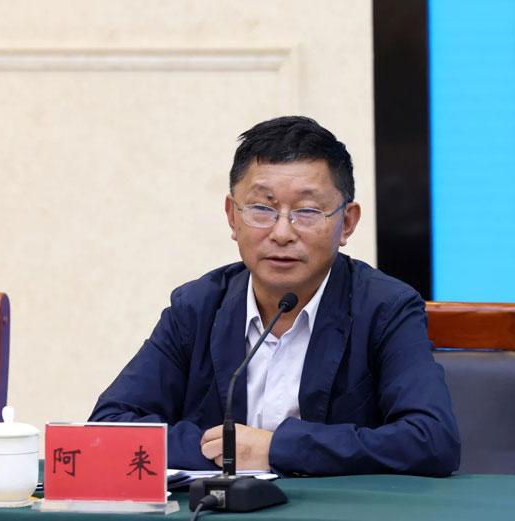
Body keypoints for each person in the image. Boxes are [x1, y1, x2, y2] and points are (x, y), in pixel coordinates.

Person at [89, 116, 460, 477]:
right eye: (262, 209)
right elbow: (108, 429)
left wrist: (276, 449)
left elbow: (431, 440)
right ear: (232, 217)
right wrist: (226, 449)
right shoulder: (197, 307)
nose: (282, 233)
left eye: (307, 211)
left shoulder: (385, 307)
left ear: (347, 223)